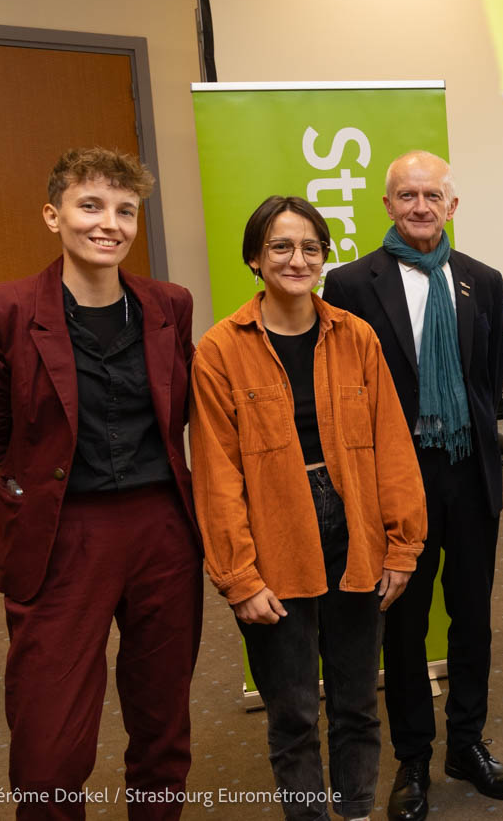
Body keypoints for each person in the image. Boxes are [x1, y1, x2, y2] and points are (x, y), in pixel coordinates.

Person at [0, 147, 203, 819]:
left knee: (161, 719)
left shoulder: (167, 306)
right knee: (49, 737)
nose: (109, 223)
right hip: (63, 534)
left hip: (161, 529)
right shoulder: (1, 309)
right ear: (53, 214)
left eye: (125, 210)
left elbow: (179, 413)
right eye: (90, 205)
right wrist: (27, 501)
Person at [189, 196, 427, 821]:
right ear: (254, 259)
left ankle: (352, 811)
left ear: (324, 258)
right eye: (280, 247)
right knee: (292, 708)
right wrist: (239, 577)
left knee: (355, 700)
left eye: (310, 248)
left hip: (355, 527)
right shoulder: (219, 350)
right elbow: (217, 475)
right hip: (274, 531)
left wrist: (402, 545)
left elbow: (393, 449)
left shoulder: (357, 337)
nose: (297, 259)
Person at [322, 151, 503, 821]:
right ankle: (412, 759)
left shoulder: (482, 280)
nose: (420, 206)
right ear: (386, 206)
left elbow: (489, 378)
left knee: (473, 617)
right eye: (406, 195)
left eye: (432, 194)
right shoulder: (349, 284)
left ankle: (466, 743)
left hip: (468, 472)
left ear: (452, 206)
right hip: (391, 482)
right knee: (403, 627)